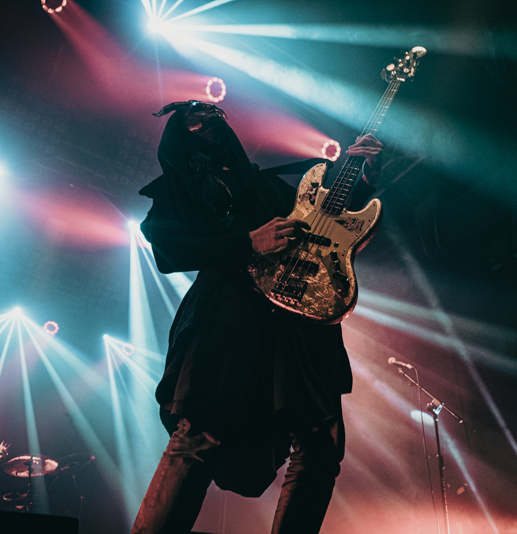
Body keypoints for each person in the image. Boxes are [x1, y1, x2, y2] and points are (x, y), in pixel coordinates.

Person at [131, 100, 383, 534]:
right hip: (231, 308)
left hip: (299, 317)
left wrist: (359, 178)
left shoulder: (260, 184)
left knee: (321, 444)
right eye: (196, 120)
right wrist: (247, 241)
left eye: (216, 117)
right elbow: (167, 249)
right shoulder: (179, 187)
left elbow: (322, 220)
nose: (210, 123)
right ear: (179, 134)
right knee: (201, 433)